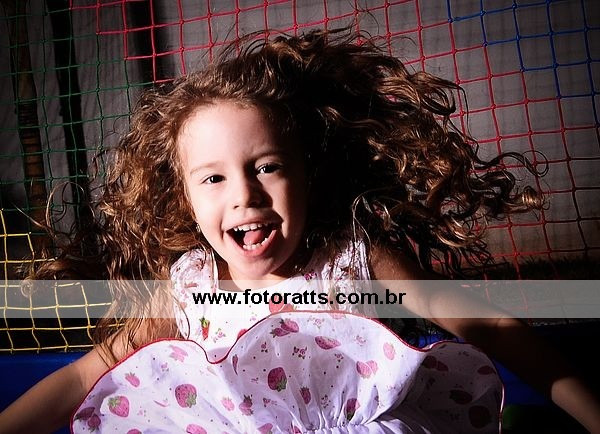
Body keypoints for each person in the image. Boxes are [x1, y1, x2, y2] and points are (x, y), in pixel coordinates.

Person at [1, 28, 599, 433]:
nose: (245, 195)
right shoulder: (190, 289)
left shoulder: (352, 261)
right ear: (185, 198)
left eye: (267, 166)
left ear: (307, 174)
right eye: (213, 178)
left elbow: (490, 327)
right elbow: (84, 374)